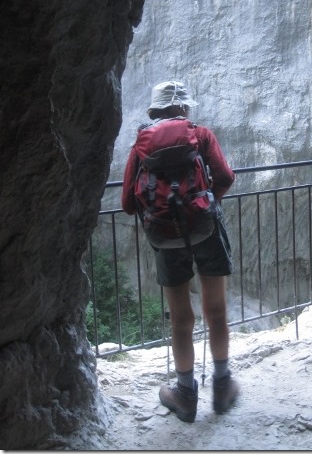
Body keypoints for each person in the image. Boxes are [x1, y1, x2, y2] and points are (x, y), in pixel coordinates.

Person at [121, 80, 239, 423]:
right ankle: (222, 386)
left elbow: (128, 202)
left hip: (165, 236)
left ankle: (185, 394)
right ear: (184, 108)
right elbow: (225, 178)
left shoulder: (141, 145)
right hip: (206, 230)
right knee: (215, 311)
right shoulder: (200, 135)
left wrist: (163, 212)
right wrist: (203, 204)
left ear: (155, 112)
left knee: (181, 320)